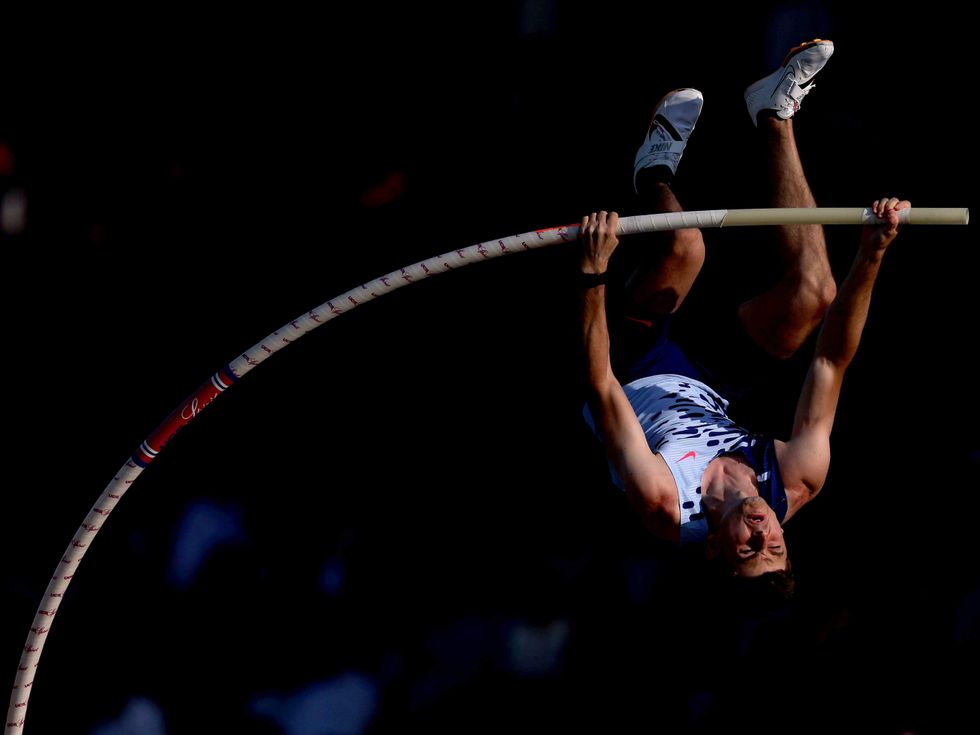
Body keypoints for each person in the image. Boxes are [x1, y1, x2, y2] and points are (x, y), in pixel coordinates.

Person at [577, 39, 909, 597]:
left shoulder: (666, 504)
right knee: (813, 295)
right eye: (775, 545)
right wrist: (871, 255)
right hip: (706, 381)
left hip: (629, 372)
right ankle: (776, 114)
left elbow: (601, 385)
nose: (762, 534)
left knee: (685, 248)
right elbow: (829, 360)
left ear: (714, 550)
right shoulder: (796, 479)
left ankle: (652, 167)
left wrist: (593, 274)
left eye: (749, 551)